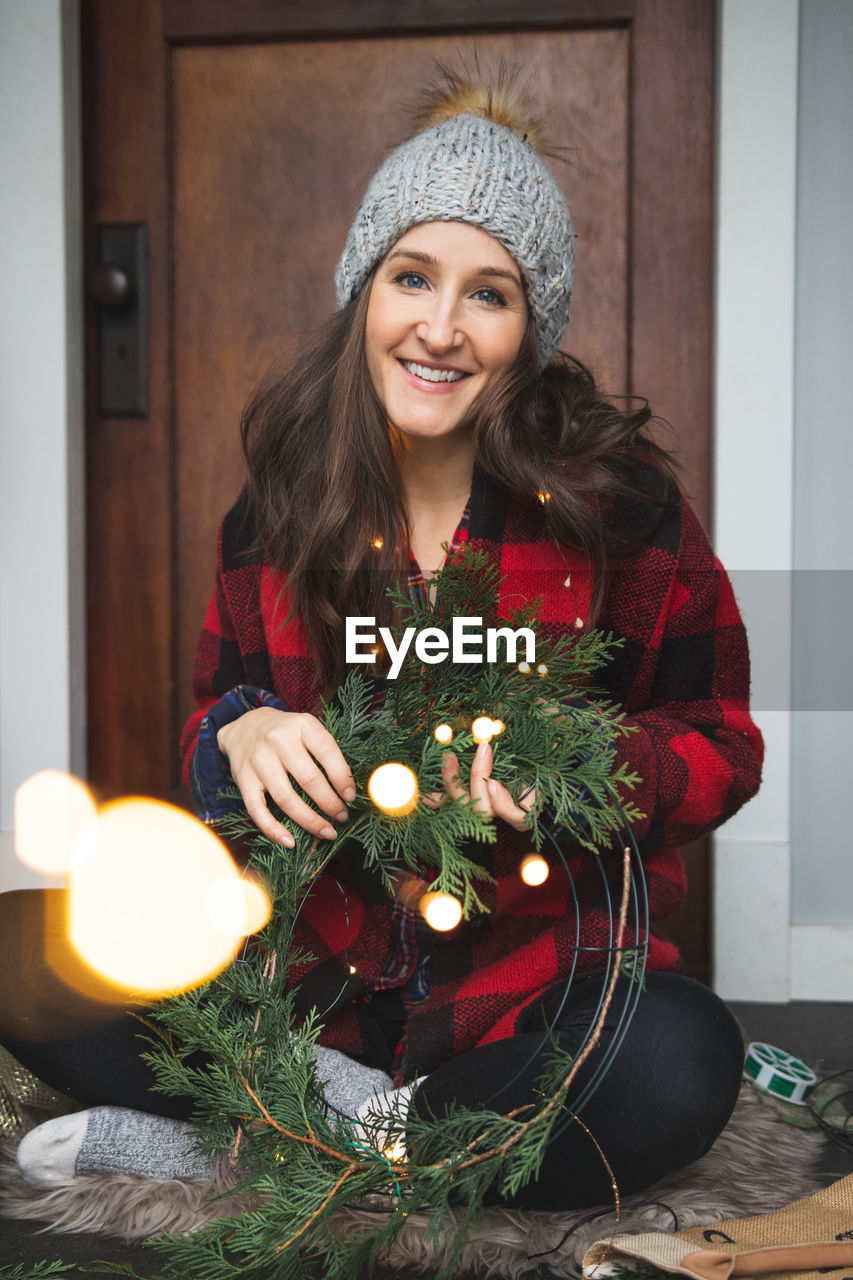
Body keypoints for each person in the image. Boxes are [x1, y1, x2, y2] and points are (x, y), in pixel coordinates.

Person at [7, 71, 762, 1209]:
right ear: (366, 285)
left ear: (531, 325)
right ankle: (374, 1131)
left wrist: (589, 769)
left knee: (679, 1056)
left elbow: (720, 740)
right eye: (413, 276)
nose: (442, 328)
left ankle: (269, 1137)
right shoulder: (275, 512)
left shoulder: (625, 511)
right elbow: (211, 742)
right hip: (307, 984)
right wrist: (241, 732)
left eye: (489, 294)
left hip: (523, 996)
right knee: (27, 949)